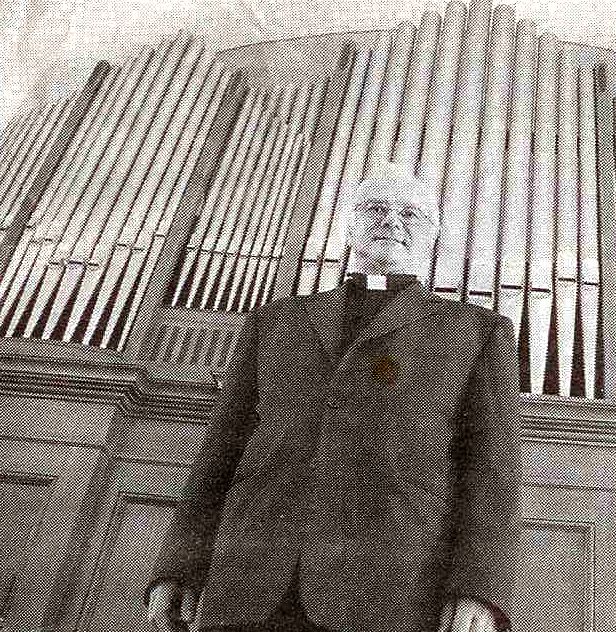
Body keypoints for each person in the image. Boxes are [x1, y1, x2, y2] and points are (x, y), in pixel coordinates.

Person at [145, 161, 522, 632]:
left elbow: (492, 473)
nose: (391, 222)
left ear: (432, 238)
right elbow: (219, 454)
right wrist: (178, 566)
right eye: (375, 209)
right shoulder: (274, 320)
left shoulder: (477, 332)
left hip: (390, 589)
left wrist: (479, 591)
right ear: (348, 227)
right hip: (247, 579)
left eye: (410, 214)